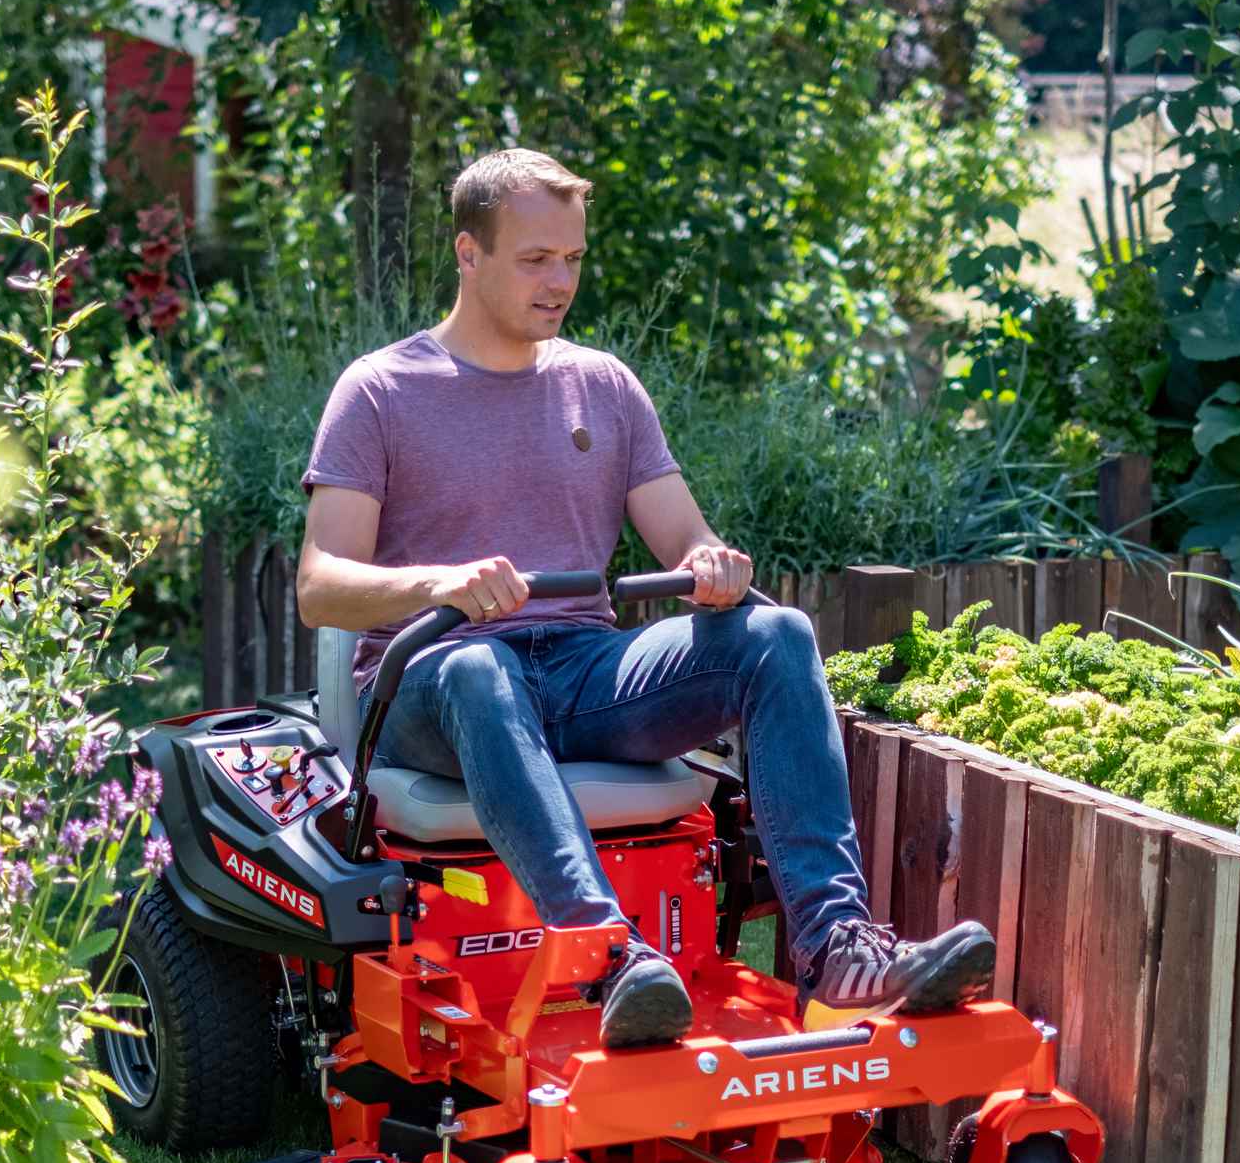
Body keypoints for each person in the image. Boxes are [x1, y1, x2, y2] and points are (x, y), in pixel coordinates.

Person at [294, 147, 994, 1048]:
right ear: (468, 253)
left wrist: (713, 565)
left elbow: (683, 537)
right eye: (535, 259)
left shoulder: (603, 385)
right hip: (433, 686)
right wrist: (442, 585)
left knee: (776, 631)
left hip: (580, 670)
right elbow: (319, 586)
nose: (560, 282)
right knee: (477, 667)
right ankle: (610, 954)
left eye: (572, 258)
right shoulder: (380, 389)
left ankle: (837, 950)